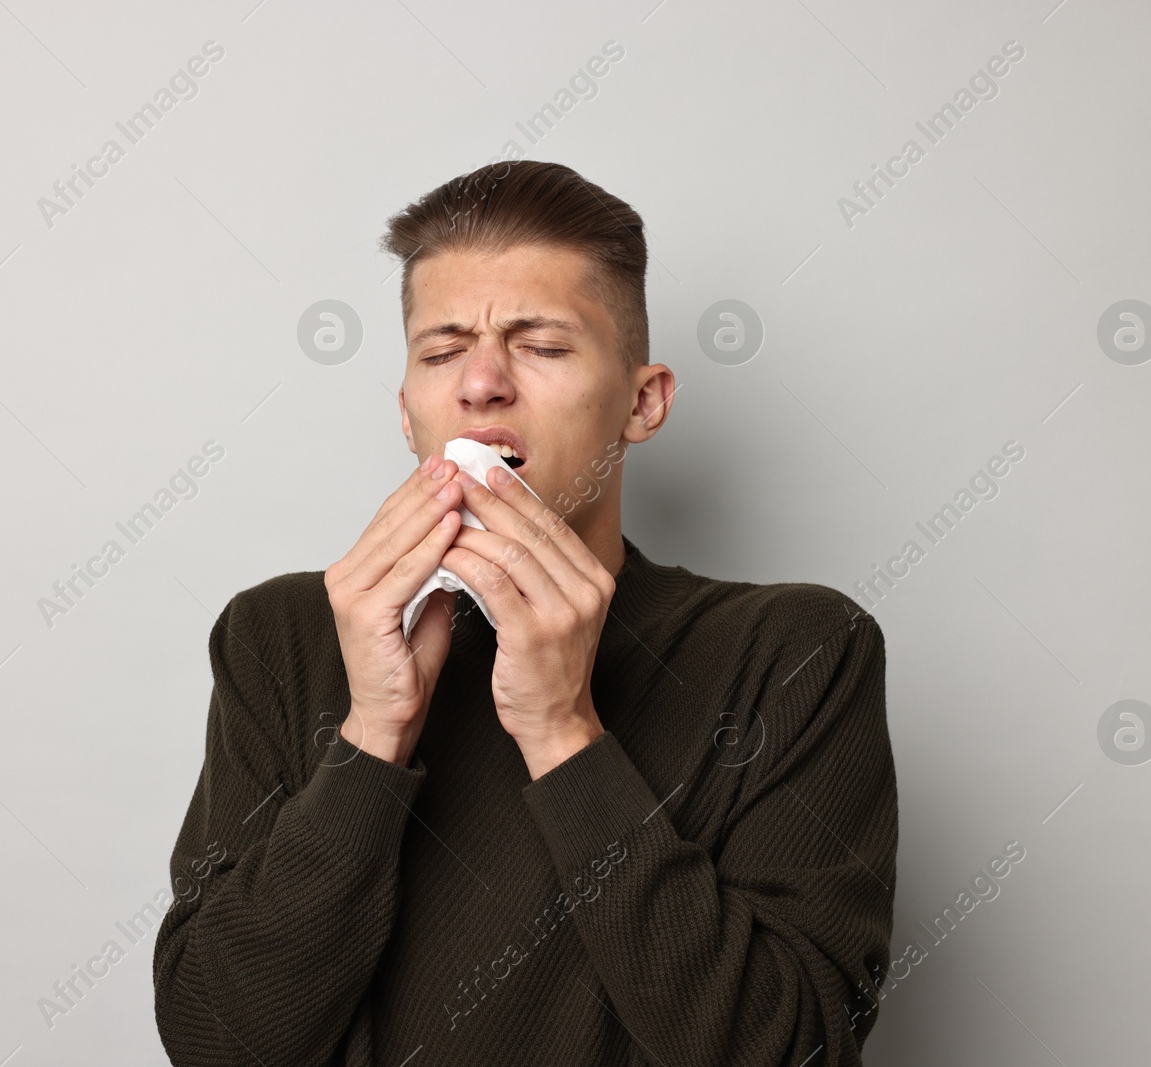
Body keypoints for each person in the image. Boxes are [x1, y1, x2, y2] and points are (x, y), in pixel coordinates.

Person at [152, 160, 897, 1066]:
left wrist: (563, 731)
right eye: (441, 351)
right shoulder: (280, 637)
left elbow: (792, 1051)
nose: (481, 384)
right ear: (407, 410)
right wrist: (372, 735)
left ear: (643, 400)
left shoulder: (797, 652)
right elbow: (216, 1044)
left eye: (541, 346)